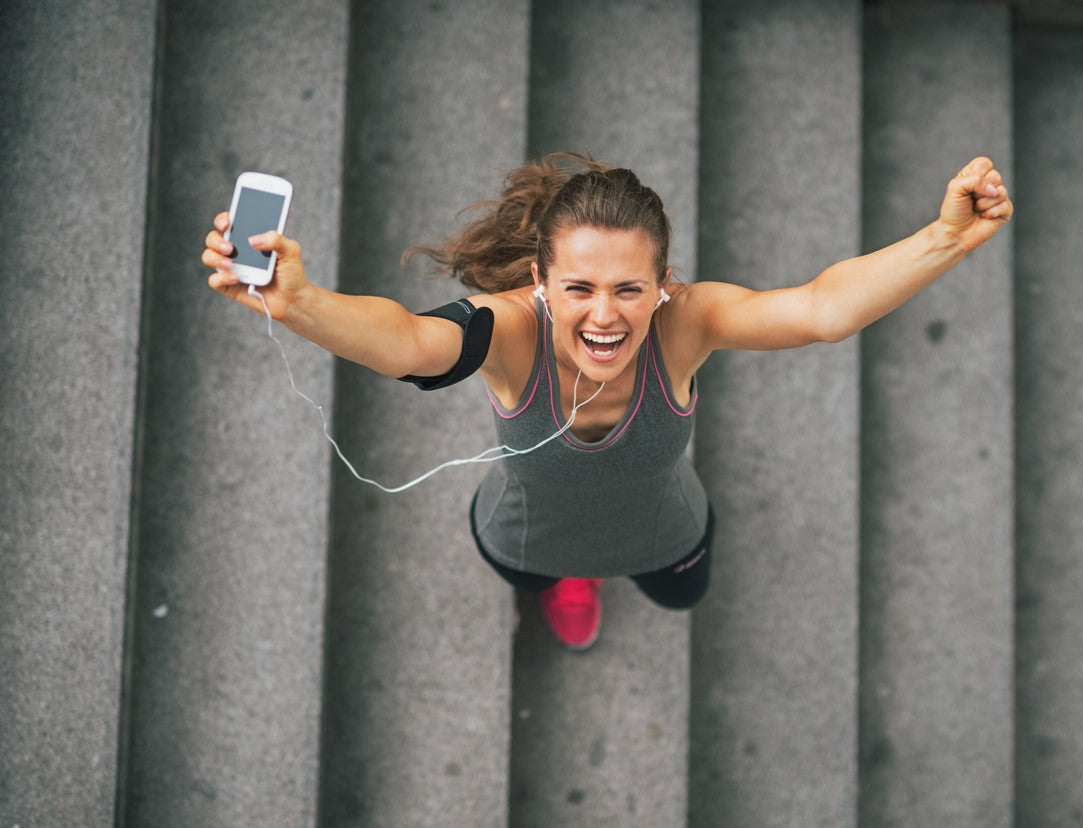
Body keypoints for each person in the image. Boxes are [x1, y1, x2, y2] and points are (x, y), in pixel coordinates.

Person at [204, 152, 1013, 651]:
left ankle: (595, 572)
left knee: (681, 595)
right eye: (579, 288)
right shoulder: (511, 332)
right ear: (539, 284)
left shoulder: (685, 324)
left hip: (669, 532)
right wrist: (300, 303)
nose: (604, 314)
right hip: (526, 535)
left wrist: (944, 238)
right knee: (538, 576)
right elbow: (411, 343)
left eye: (630, 288)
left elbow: (819, 310)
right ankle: (569, 579)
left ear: (663, 285)